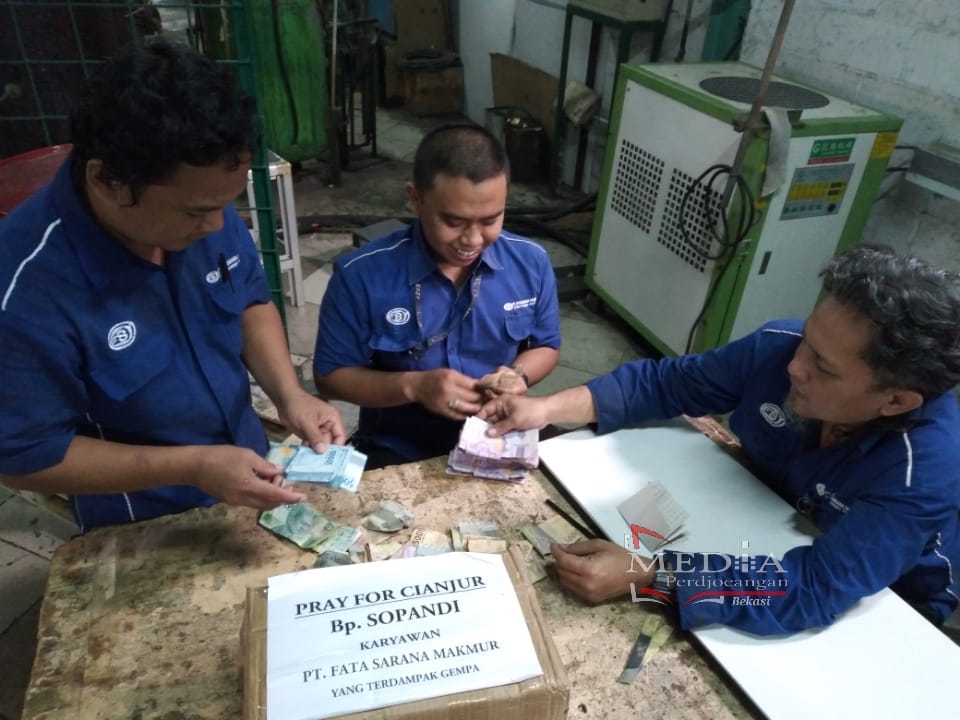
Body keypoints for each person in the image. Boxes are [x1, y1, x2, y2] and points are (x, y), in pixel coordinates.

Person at [479, 245, 960, 635]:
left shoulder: (924, 468)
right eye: (807, 341)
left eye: (824, 367)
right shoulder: (778, 347)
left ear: (895, 401)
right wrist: (544, 408)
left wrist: (652, 576)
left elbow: (812, 588)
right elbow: (665, 384)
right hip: (767, 522)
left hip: (885, 603)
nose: (795, 367)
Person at [0, 39, 345, 532]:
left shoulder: (201, 203)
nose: (217, 225)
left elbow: (249, 301)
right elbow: (25, 457)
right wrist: (194, 466)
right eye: (196, 211)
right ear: (108, 181)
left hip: (248, 474)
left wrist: (290, 395)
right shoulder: (26, 291)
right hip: (143, 523)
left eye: (226, 205)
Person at [313, 123, 561, 467]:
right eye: (454, 222)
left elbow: (546, 346)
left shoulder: (530, 263)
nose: (472, 239)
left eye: (490, 220)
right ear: (416, 198)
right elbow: (330, 378)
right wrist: (414, 387)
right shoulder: (360, 276)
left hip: (498, 433)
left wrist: (516, 375)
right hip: (400, 446)